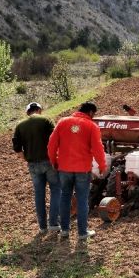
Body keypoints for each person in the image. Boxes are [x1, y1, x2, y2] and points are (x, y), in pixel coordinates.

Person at [48, 102, 107, 240]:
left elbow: (51, 144)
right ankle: (82, 233)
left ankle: (64, 230)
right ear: (91, 112)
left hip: (64, 169)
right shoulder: (92, 126)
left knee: (65, 198)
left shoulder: (63, 122)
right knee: (82, 200)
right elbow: (98, 149)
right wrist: (102, 166)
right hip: (82, 170)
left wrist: (54, 161)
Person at [13, 102, 60, 234]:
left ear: (27, 112)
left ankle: (42, 227)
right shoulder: (46, 120)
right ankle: (54, 224)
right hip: (49, 161)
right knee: (56, 190)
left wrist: (27, 159)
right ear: (39, 110)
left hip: (33, 164)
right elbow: (55, 140)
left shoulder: (20, 125)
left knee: (39, 194)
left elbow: (17, 148)